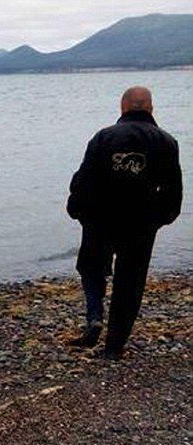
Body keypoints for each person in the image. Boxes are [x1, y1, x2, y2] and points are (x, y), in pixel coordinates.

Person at [66, 86, 182, 359]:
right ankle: (113, 347)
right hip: (141, 222)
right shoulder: (166, 142)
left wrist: (76, 209)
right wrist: (160, 219)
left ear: (123, 107)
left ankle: (95, 316)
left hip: (100, 218)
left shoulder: (103, 137)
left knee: (91, 267)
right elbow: (173, 192)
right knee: (130, 281)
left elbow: (84, 179)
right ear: (151, 109)